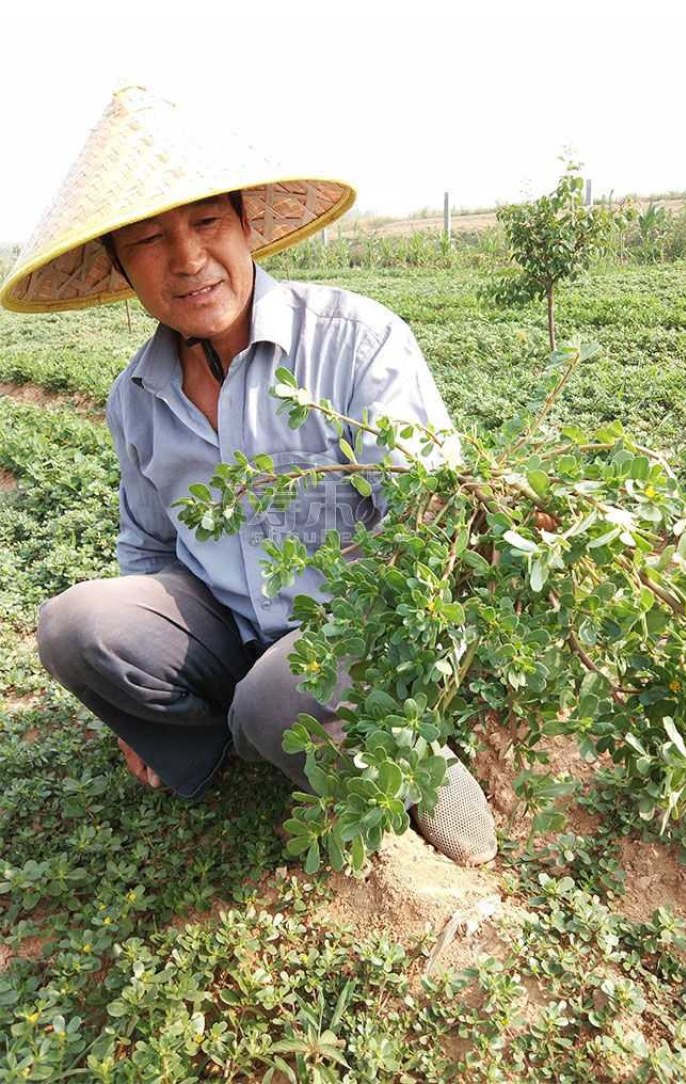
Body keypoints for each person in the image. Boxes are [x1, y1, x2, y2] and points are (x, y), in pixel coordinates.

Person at [0, 86, 497, 867]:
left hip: (353, 640)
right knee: (74, 625)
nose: (189, 260)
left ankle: (406, 759)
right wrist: (143, 711)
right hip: (228, 630)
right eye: (150, 240)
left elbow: (434, 531)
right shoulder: (136, 398)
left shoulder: (355, 342)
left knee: (281, 695)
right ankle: (208, 741)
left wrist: (389, 661)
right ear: (121, 268)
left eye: (206, 223)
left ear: (244, 226)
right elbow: (149, 546)